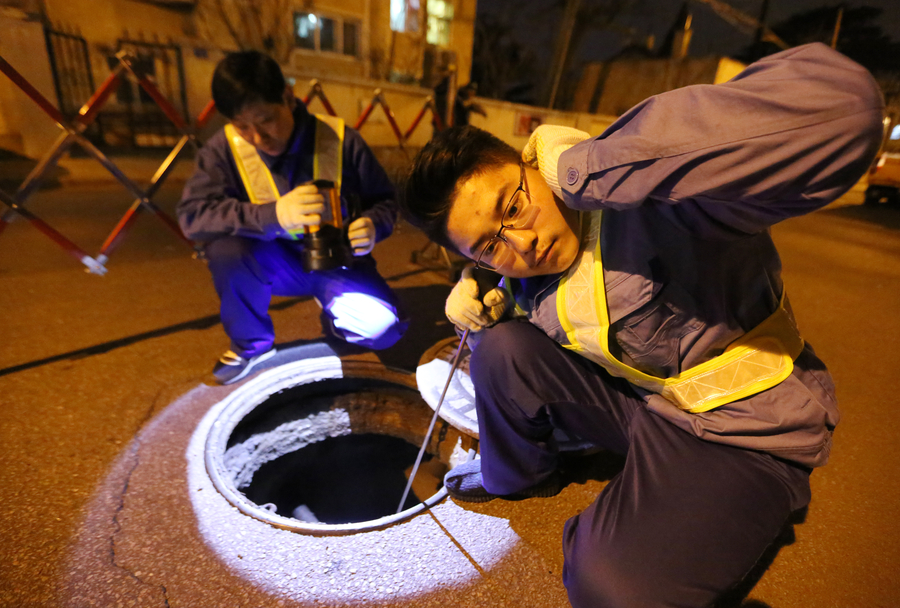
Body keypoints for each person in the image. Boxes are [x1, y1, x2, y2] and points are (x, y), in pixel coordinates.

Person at [401, 43, 883, 607]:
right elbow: (536, 299)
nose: (523, 243)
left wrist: (590, 168)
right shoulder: (518, 265)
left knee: (606, 586)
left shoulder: (661, 204)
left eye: (513, 206)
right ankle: (520, 475)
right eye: (490, 245)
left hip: (746, 435)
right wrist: (481, 284)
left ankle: (707, 515)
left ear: (534, 163)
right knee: (500, 347)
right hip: (651, 409)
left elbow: (846, 110)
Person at [179, 51, 407, 385]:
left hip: (337, 261)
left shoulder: (340, 139)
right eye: (243, 127)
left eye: (266, 120)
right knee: (227, 250)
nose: (258, 138)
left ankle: (336, 313)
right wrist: (272, 216)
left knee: (382, 331)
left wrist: (373, 225)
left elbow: (385, 201)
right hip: (272, 262)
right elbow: (193, 216)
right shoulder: (223, 149)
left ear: (288, 97)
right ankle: (251, 345)